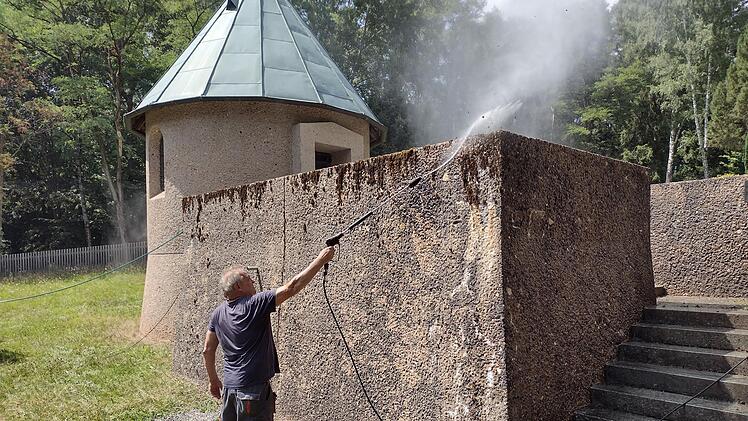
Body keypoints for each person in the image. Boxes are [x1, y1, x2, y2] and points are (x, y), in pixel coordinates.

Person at [202, 247, 335, 421]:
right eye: (249, 279)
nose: (253, 282)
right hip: (252, 392)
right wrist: (321, 260)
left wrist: (213, 380)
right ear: (238, 286)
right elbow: (292, 287)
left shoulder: (217, 313)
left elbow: (207, 349)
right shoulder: (255, 304)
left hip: (229, 391)